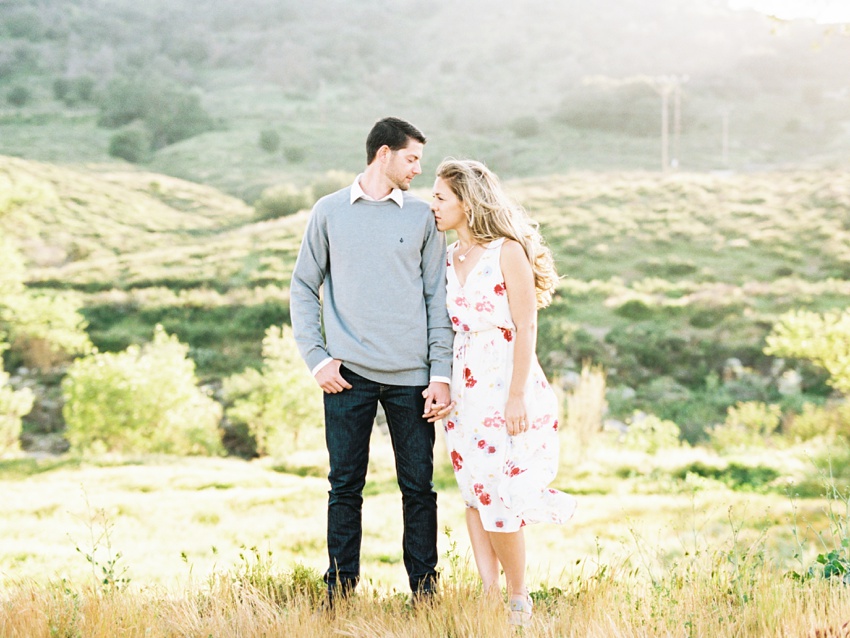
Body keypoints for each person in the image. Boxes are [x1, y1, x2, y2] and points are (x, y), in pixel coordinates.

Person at [290, 117, 455, 605]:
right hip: (348, 376)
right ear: (383, 154)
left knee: (419, 489)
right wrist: (316, 359)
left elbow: (437, 297)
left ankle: (425, 596)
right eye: (411, 159)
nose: (417, 170)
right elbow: (303, 285)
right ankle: (340, 594)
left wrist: (440, 374)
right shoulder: (329, 212)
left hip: (412, 380)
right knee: (344, 486)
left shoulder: (423, 217)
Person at [430, 158, 576, 626]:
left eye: (440, 197)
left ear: (467, 204)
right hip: (464, 386)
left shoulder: (506, 251)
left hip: (506, 382)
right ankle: (488, 593)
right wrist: (445, 384)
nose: (432, 204)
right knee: (474, 491)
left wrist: (516, 397)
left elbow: (526, 323)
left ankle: (518, 597)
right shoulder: (446, 258)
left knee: (503, 491)